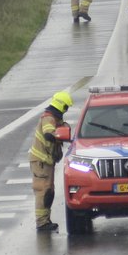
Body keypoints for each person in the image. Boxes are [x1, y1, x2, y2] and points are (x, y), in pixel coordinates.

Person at [29, 91, 72, 233]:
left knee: (49, 191)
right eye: (66, 107)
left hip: (46, 162)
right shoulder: (48, 118)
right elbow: (49, 134)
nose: (66, 110)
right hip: (41, 162)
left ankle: (45, 220)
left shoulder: (54, 118)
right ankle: (41, 223)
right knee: (43, 191)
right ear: (61, 106)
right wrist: (60, 136)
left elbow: (62, 127)